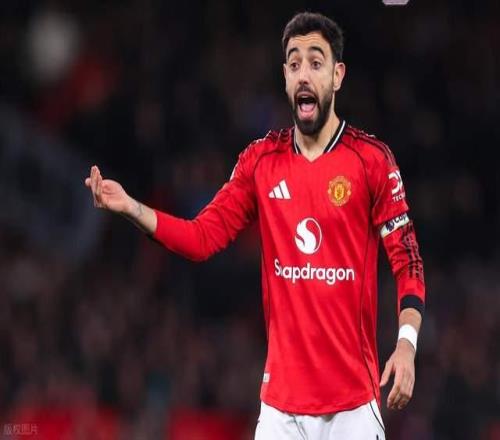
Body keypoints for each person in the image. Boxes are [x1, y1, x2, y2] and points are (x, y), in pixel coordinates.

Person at [85, 11, 425, 440]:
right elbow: (201, 238)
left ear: (337, 76)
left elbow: (407, 260)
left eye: (315, 62)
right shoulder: (261, 161)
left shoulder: (371, 161)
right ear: (285, 77)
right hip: (280, 412)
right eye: (294, 63)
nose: (304, 74)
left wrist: (407, 345)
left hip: (352, 410)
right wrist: (131, 207)